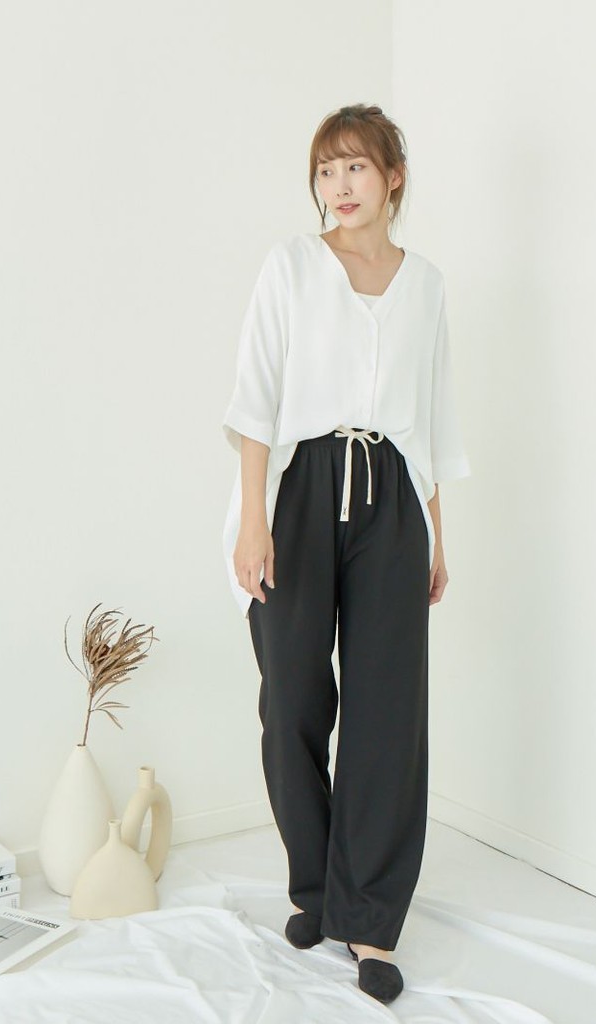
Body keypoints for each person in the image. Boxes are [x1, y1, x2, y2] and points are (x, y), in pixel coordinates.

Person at [220, 103, 471, 1005]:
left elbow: (433, 417)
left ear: (393, 176)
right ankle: (317, 885)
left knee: (387, 712)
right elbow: (255, 398)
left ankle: (369, 918)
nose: (339, 186)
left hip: (393, 496)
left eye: (356, 167)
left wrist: (436, 530)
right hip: (300, 490)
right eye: (326, 170)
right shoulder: (290, 266)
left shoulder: (426, 284)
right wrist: (254, 520)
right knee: (291, 696)